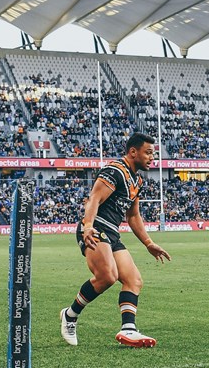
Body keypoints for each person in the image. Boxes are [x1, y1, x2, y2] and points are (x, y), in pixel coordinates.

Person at [59, 132, 171, 348]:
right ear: (133, 152)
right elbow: (94, 198)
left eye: (153, 154)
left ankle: (128, 329)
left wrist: (148, 243)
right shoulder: (115, 170)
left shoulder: (137, 180)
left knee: (133, 279)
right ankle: (70, 316)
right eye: (148, 153)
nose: (151, 158)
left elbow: (133, 216)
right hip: (96, 228)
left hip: (111, 234)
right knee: (108, 276)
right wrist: (88, 227)